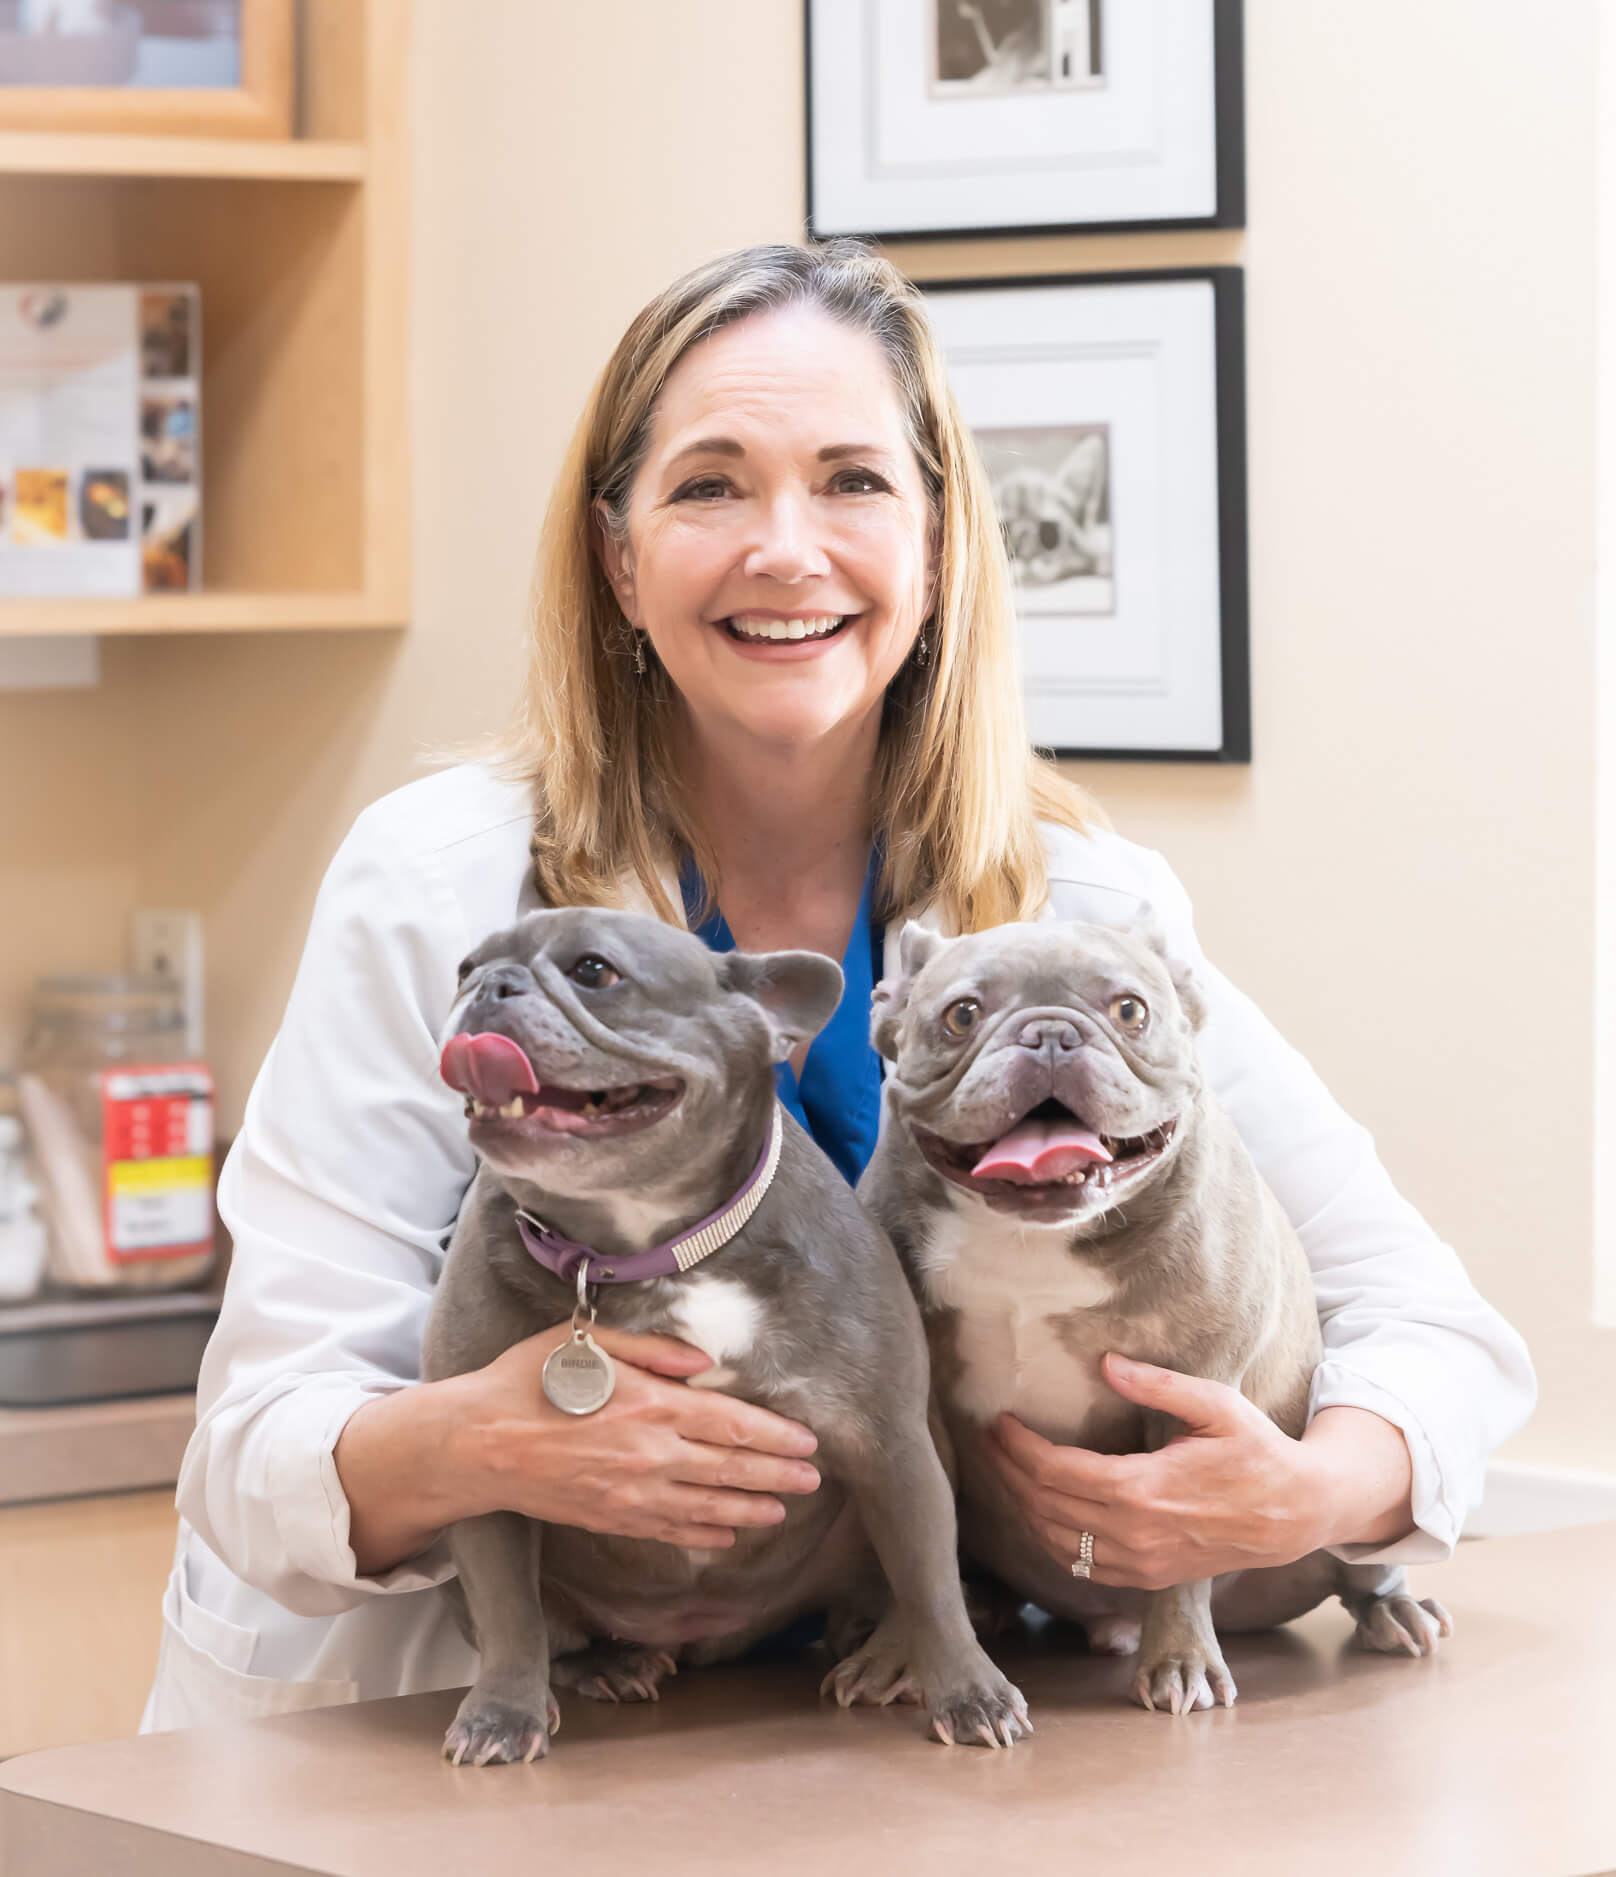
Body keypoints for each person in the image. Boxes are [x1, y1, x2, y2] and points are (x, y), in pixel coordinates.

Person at [142, 242, 1534, 1730]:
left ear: (937, 549)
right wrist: (475, 1444)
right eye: (709, 485)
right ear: (619, 556)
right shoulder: (441, 890)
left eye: (855, 483)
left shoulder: (1078, 914)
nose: (786, 548)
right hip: (423, 1738)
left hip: (848, 1735)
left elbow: (1435, 1329)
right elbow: (253, 1447)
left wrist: (1306, 1489)